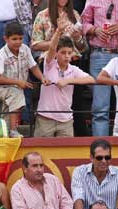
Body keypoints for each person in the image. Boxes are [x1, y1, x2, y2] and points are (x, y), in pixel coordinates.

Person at [81, 0, 118, 136]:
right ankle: (100, 148)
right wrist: (95, 30)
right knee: (100, 107)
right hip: (100, 54)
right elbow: (84, 23)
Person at [31, 0, 89, 136]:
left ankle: (79, 140)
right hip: (50, 63)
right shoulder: (43, 15)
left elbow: (82, 47)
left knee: (76, 104)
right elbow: (35, 44)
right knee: (51, 101)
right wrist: (58, 43)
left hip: (73, 62)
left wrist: (77, 38)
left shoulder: (74, 15)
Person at [35, 26, 95, 137]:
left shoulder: (73, 70)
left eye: (69, 53)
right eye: (63, 52)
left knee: (66, 153)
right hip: (46, 118)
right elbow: (52, 48)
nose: (67, 56)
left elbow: (91, 79)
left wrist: (68, 81)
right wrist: (58, 31)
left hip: (66, 120)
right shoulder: (49, 65)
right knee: (42, 151)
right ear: (57, 53)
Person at [0, 22, 48, 136]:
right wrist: (18, 82)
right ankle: (13, 130)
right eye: (14, 39)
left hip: (16, 87)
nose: (18, 42)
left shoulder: (25, 49)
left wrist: (43, 78)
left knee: (8, 111)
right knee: (16, 94)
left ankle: (3, 133)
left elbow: (33, 66)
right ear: (6, 39)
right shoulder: (1, 55)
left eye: (20, 38)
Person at [10, 152, 74, 209]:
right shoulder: (17, 188)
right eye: (35, 166)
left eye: (41, 165)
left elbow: (66, 201)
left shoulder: (53, 180)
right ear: (24, 168)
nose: (39, 170)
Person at [71, 139, 118, 209]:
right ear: (91, 158)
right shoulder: (79, 171)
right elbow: (78, 195)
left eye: (107, 157)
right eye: (99, 158)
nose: (104, 161)